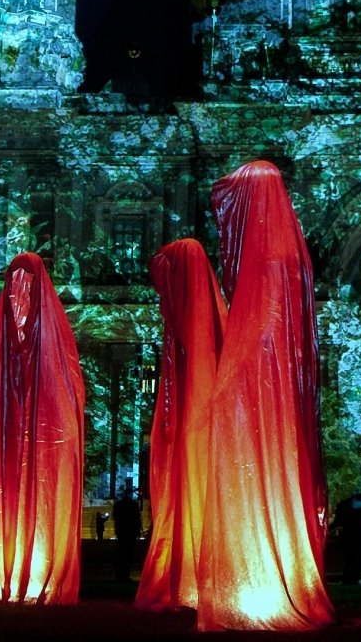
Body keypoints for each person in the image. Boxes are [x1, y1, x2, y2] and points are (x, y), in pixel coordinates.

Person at [195, 161, 335, 630]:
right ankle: (267, 575)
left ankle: (258, 583)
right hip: (275, 394)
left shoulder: (269, 256)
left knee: (261, 463)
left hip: (262, 386)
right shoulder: (291, 255)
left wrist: (231, 387)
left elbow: (258, 330)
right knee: (271, 467)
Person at [0, 253, 86, 605]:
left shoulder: (54, 349)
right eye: (13, 289)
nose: (18, 297)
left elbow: (64, 408)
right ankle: (3, 570)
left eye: (26, 289)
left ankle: (29, 573)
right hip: (6, 450)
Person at [135, 238, 227, 611]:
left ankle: (203, 575)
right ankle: (186, 574)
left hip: (205, 434)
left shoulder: (206, 327)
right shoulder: (184, 332)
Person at [113, 481, 143, 581]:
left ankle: (119, 574)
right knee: (128, 554)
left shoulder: (118, 504)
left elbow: (115, 517)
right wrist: (138, 530)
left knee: (120, 553)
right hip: (130, 532)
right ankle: (125, 574)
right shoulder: (133, 505)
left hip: (121, 531)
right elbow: (137, 518)